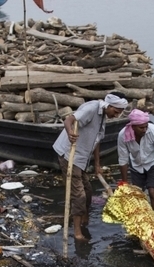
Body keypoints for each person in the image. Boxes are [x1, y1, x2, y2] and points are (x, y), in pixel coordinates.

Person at [53, 92, 127, 241]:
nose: (117, 115)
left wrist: (97, 163)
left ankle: (84, 217)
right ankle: (77, 232)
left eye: (119, 113)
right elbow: (69, 120)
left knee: (88, 190)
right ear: (109, 105)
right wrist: (70, 133)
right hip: (70, 154)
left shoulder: (103, 117)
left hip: (82, 158)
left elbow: (97, 140)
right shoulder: (91, 109)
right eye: (116, 111)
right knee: (79, 195)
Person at [117, 108, 154, 214]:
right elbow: (123, 159)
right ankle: (144, 222)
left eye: (146, 127)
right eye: (141, 128)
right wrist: (124, 183)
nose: (144, 130)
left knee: (153, 192)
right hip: (136, 165)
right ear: (133, 127)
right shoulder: (123, 135)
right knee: (138, 195)